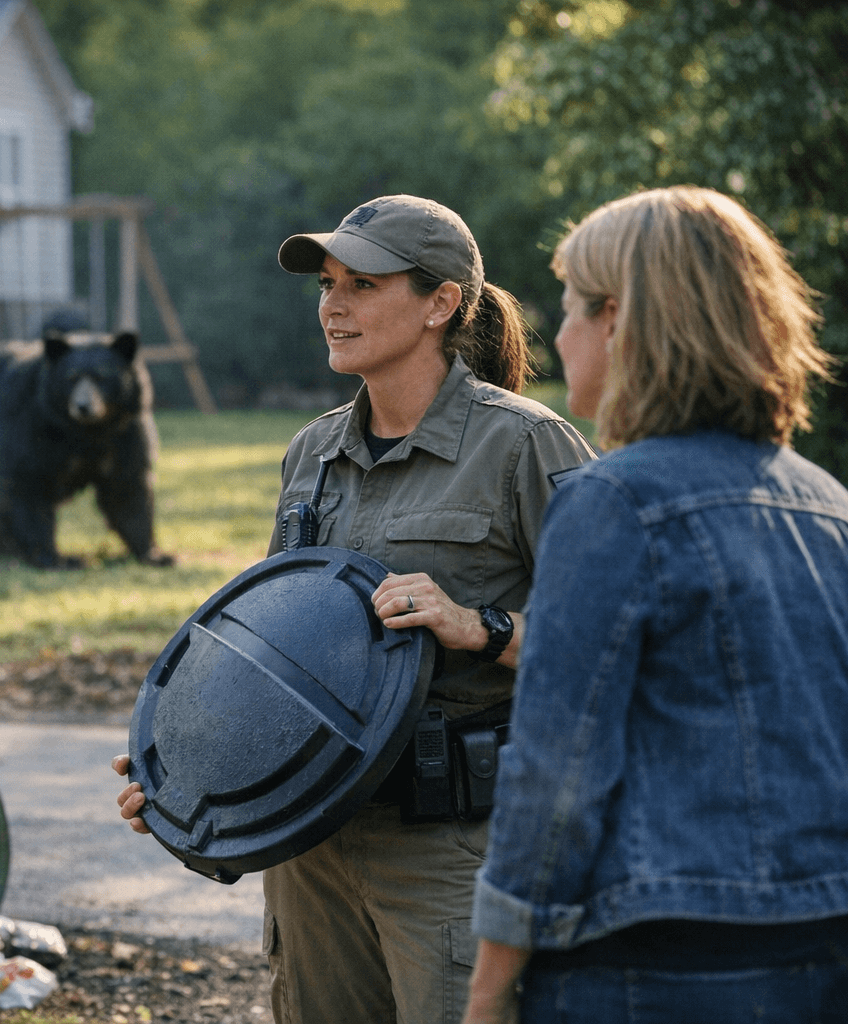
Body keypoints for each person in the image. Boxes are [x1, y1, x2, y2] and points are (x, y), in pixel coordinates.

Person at [116, 194, 597, 1023]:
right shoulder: (312, 451)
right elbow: (273, 652)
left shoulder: (526, 444)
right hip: (312, 848)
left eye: (363, 285)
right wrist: (184, 776)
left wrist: (477, 627)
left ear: (441, 303)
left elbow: (613, 648)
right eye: (327, 285)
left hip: (454, 847)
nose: (333, 307)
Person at [464, 186, 848, 1023]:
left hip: (653, 965)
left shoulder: (612, 503)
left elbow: (557, 768)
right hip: (823, 946)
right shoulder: (825, 502)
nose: (557, 337)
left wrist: (491, 987)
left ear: (621, 320)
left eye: (569, 309)